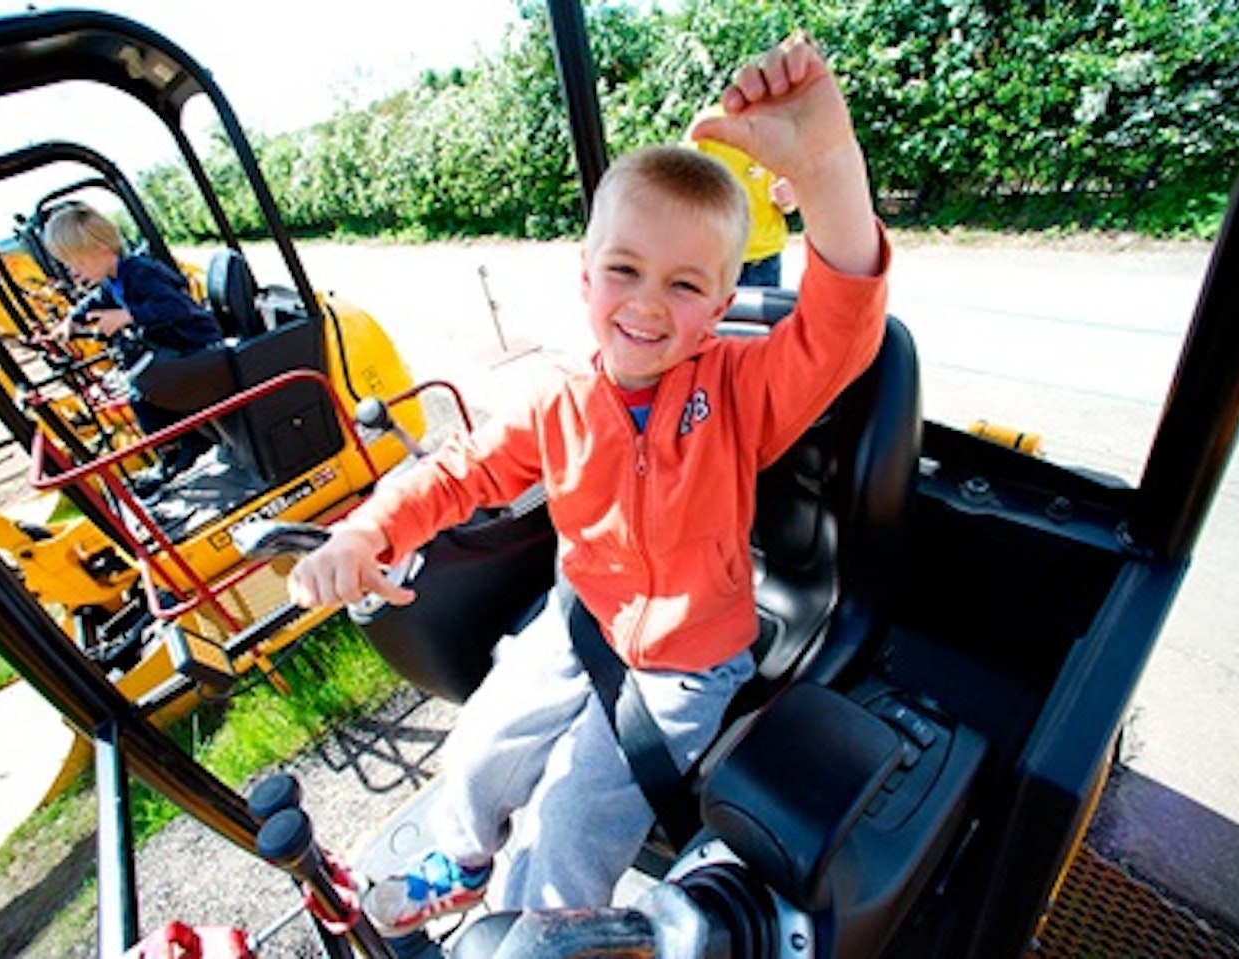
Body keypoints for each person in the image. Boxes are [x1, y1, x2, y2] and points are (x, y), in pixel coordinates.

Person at [288, 33, 887, 936]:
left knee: (572, 818)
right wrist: (369, 532)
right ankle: (460, 857)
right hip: (582, 620)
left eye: (685, 284)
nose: (648, 303)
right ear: (585, 277)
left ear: (721, 308)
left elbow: (840, 326)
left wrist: (831, 167)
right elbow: (458, 473)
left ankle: (534, 933)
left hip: (691, 659)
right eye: (625, 271)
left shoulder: (735, 389)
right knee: (483, 741)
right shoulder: (554, 401)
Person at [43, 204, 225, 481]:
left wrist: (128, 316)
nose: (73, 271)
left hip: (196, 346)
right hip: (174, 348)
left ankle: (185, 446)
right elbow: (95, 300)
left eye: (78, 263)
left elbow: (179, 307)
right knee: (139, 388)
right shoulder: (114, 279)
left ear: (102, 251)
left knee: (142, 395)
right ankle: (179, 447)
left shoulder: (141, 273)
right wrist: (73, 318)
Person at [690, 103, 799, 287]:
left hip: (765, 260)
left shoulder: (781, 126)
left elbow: (791, 198)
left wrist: (790, 198)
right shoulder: (708, 125)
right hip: (719, 261)